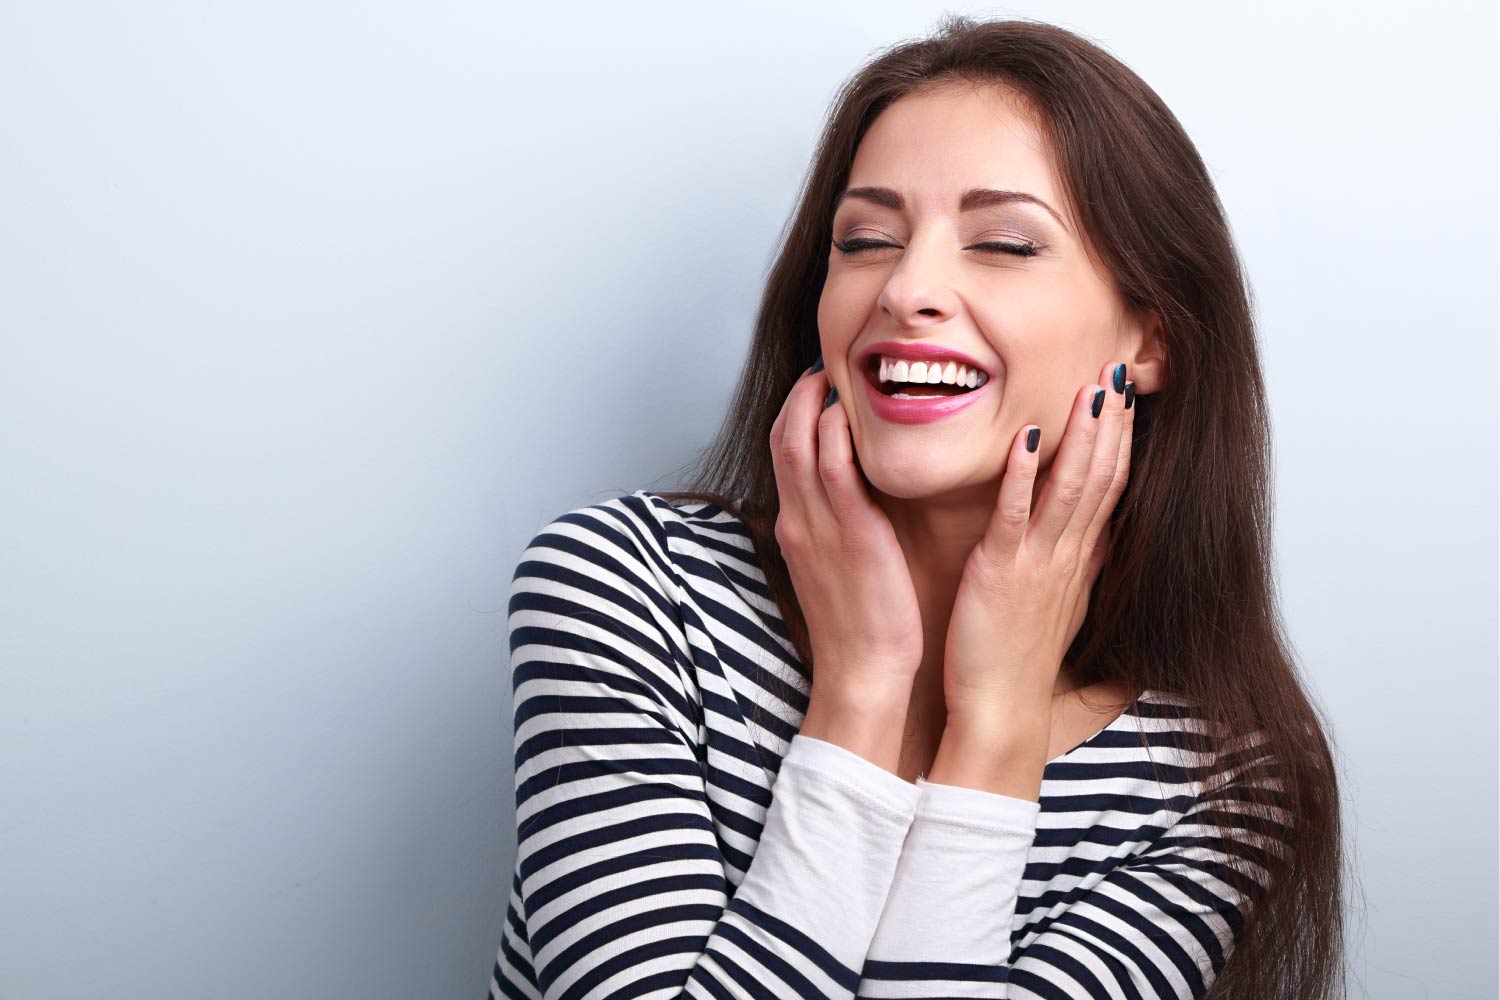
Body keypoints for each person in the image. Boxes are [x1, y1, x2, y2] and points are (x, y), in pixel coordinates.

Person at [486, 15, 1345, 1000]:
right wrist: (863, 686)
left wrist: (994, 729)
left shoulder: (1220, 775)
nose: (905, 287)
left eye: (1005, 243)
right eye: (866, 239)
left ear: (1153, 340)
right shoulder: (624, 587)